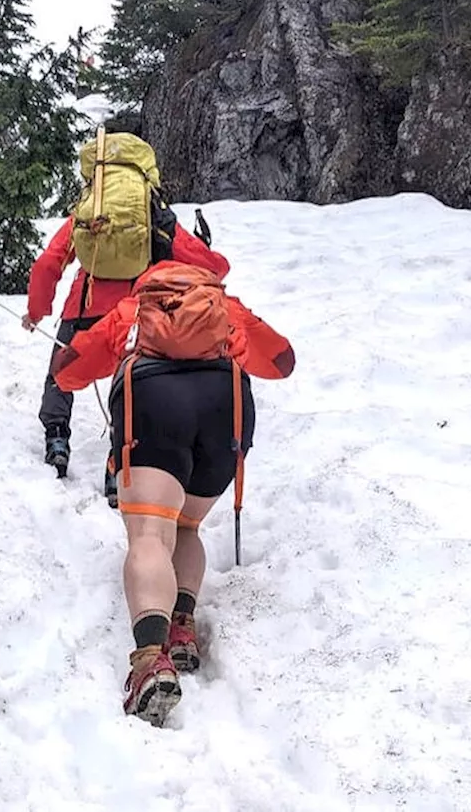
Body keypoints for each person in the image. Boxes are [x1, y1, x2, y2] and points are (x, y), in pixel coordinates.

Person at [49, 260, 295, 725]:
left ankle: (149, 662)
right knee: (187, 524)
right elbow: (281, 362)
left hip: (154, 400)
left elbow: (70, 372)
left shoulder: (135, 308)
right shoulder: (225, 308)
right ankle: (181, 627)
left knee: (149, 534)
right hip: (227, 409)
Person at [21, 208, 227, 477]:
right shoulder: (152, 216)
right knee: (130, 385)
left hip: (83, 308)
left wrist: (36, 312)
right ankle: (118, 463)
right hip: (132, 315)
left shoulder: (86, 212)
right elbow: (212, 268)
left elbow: (48, 264)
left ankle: (56, 439)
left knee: (60, 373)